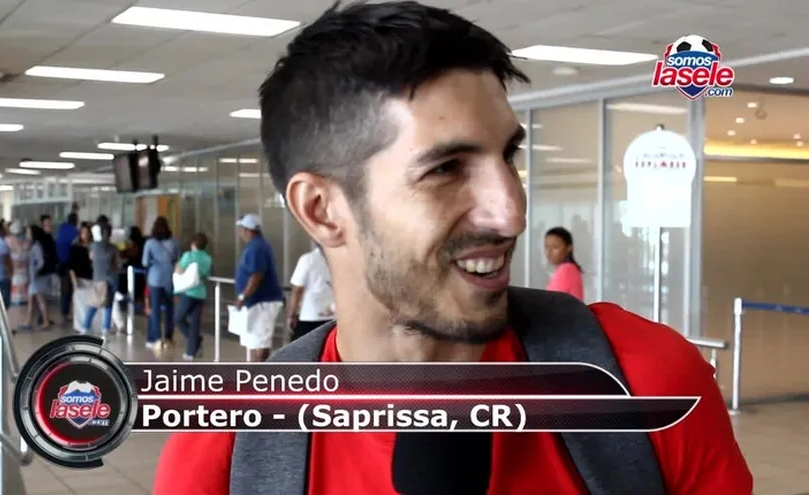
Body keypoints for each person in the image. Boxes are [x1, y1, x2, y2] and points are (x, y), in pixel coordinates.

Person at [155, 2, 751, 495]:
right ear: (322, 210)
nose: (511, 212)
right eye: (445, 169)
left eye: (508, 157)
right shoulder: (230, 451)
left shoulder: (646, 383)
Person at [233, 214, 284, 362]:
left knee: (261, 341)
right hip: (257, 302)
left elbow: (256, 276)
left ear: (248, 230)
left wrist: (243, 296)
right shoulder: (256, 246)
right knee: (255, 341)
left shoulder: (257, 247)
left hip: (263, 302)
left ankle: (259, 377)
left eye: (242, 229)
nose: (240, 232)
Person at [173, 232, 213, 360]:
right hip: (200, 293)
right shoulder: (208, 258)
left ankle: (195, 340)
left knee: (178, 318)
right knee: (195, 323)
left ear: (194, 244)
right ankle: (190, 352)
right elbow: (206, 274)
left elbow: (179, 270)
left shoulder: (188, 256)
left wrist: (179, 264)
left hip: (188, 292)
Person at [142, 216, 179, 351]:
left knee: (155, 310)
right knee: (170, 310)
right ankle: (169, 337)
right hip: (170, 279)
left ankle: (155, 339)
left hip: (155, 279)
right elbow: (178, 260)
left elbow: (145, 262)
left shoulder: (150, 243)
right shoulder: (175, 242)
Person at [287, 242, 335, 341]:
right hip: (333, 317)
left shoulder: (308, 259)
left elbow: (297, 290)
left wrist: (292, 315)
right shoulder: (339, 261)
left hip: (309, 316)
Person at [81, 223, 118, 335]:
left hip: (98, 278)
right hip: (112, 278)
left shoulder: (93, 246)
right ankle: (105, 328)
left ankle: (85, 327)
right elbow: (117, 263)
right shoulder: (113, 248)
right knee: (108, 304)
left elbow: (91, 258)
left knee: (94, 304)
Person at [21, 225, 51, 331]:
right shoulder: (33, 246)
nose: (27, 235)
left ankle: (46, 322)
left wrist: (36, 272)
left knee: (40, 300)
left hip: (37, 279)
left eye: (29, 233)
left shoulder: (36, 247)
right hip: (34, 278)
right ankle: (28, 321)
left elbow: (40, 262)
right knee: (32, 301)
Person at [544, 227, 584, 301]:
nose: (549, 252)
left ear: (569, 248)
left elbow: (550, 302)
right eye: (546, 246)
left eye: (555, 247)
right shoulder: (571, 268)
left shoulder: (566, 269)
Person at [55, 213, 80, 320]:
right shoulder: (74, 231)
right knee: (69, 289)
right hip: (69, 263)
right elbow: (77, 246)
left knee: (64, 288)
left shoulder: (61, 228)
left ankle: (64, 311)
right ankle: (65, 312)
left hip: (59, 262)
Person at [5, 220, 30, 306]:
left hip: (16, 269)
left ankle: (17, 299)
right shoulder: (26, 241)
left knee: (17, 283)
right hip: (21, 269)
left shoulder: (8, 241)